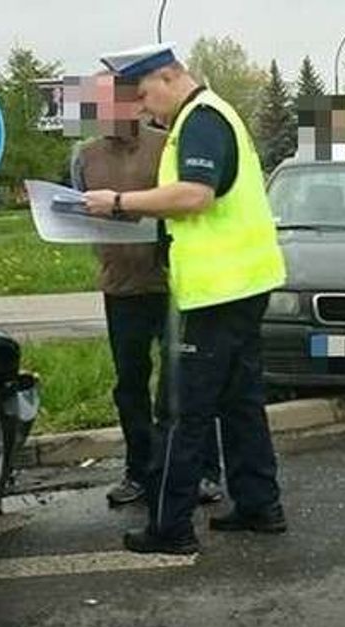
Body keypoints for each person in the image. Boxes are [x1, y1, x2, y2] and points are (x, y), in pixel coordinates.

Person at [82, 43, 288, 555]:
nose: (145, 108)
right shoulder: (209, 116)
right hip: (243, 284)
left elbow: (196, 195)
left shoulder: (200, 119)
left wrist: (119, 203)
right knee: (241, 402)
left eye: (146, 94)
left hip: (219, 293)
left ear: (170, 76)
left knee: (182, 411)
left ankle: (170, 527)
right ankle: (260, 505)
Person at [66, 73, 224, 508]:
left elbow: (187, 202)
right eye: (94, 107)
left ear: (135, 103)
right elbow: (82, 209)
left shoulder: (166, 145)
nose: (101, 115)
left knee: (181, 382)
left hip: (171, 282)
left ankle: (202, 471)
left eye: (109, 104)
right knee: (129, 384)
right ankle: (140, 470)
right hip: (119, 284)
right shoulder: (85, 155)